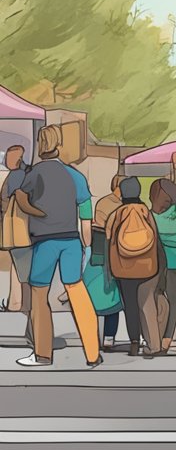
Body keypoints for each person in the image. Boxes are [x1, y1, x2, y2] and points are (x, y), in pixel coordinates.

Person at [9, 126, 101, 368]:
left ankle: (43, 355)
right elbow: (85, 213)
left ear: (40, 145)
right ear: (59, 145)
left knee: (40, 296)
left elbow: (21, 198)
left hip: (45, 242)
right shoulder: (75, 175)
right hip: (71, 241)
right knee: (78, 294)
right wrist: (86, 245)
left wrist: (34, 210)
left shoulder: (35, 173)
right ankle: (93, 353)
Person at [107, 177, 163, 358]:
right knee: (147, 305)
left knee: (130, 306)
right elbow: (155, 237)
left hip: (124, 268)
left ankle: (134, 343)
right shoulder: (145, 211)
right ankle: (154, 343)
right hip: (147, 267)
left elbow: (109, 238)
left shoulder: (117, 213)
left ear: (122, 193)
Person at [83, 174, 125, 350]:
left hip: (99, 252)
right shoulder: (121, 206)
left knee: (96, 296)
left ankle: (95, 336)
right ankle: (109, 337)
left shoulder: (103, 203)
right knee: (112, 298)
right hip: (113, 252)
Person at [150, 178, 176, 356]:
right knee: (175, 302)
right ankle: (170, 341)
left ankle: (154, 336)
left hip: (155, 262)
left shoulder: (150, 214)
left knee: (155, 299)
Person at [1, 145, 33, 344]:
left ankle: (20, 306)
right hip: (31, 231)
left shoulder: (15, 176)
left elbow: (6, 202)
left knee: (22, 271)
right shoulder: (31, 173)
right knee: (24, 270)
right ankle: (17, 303)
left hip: (18, 232)